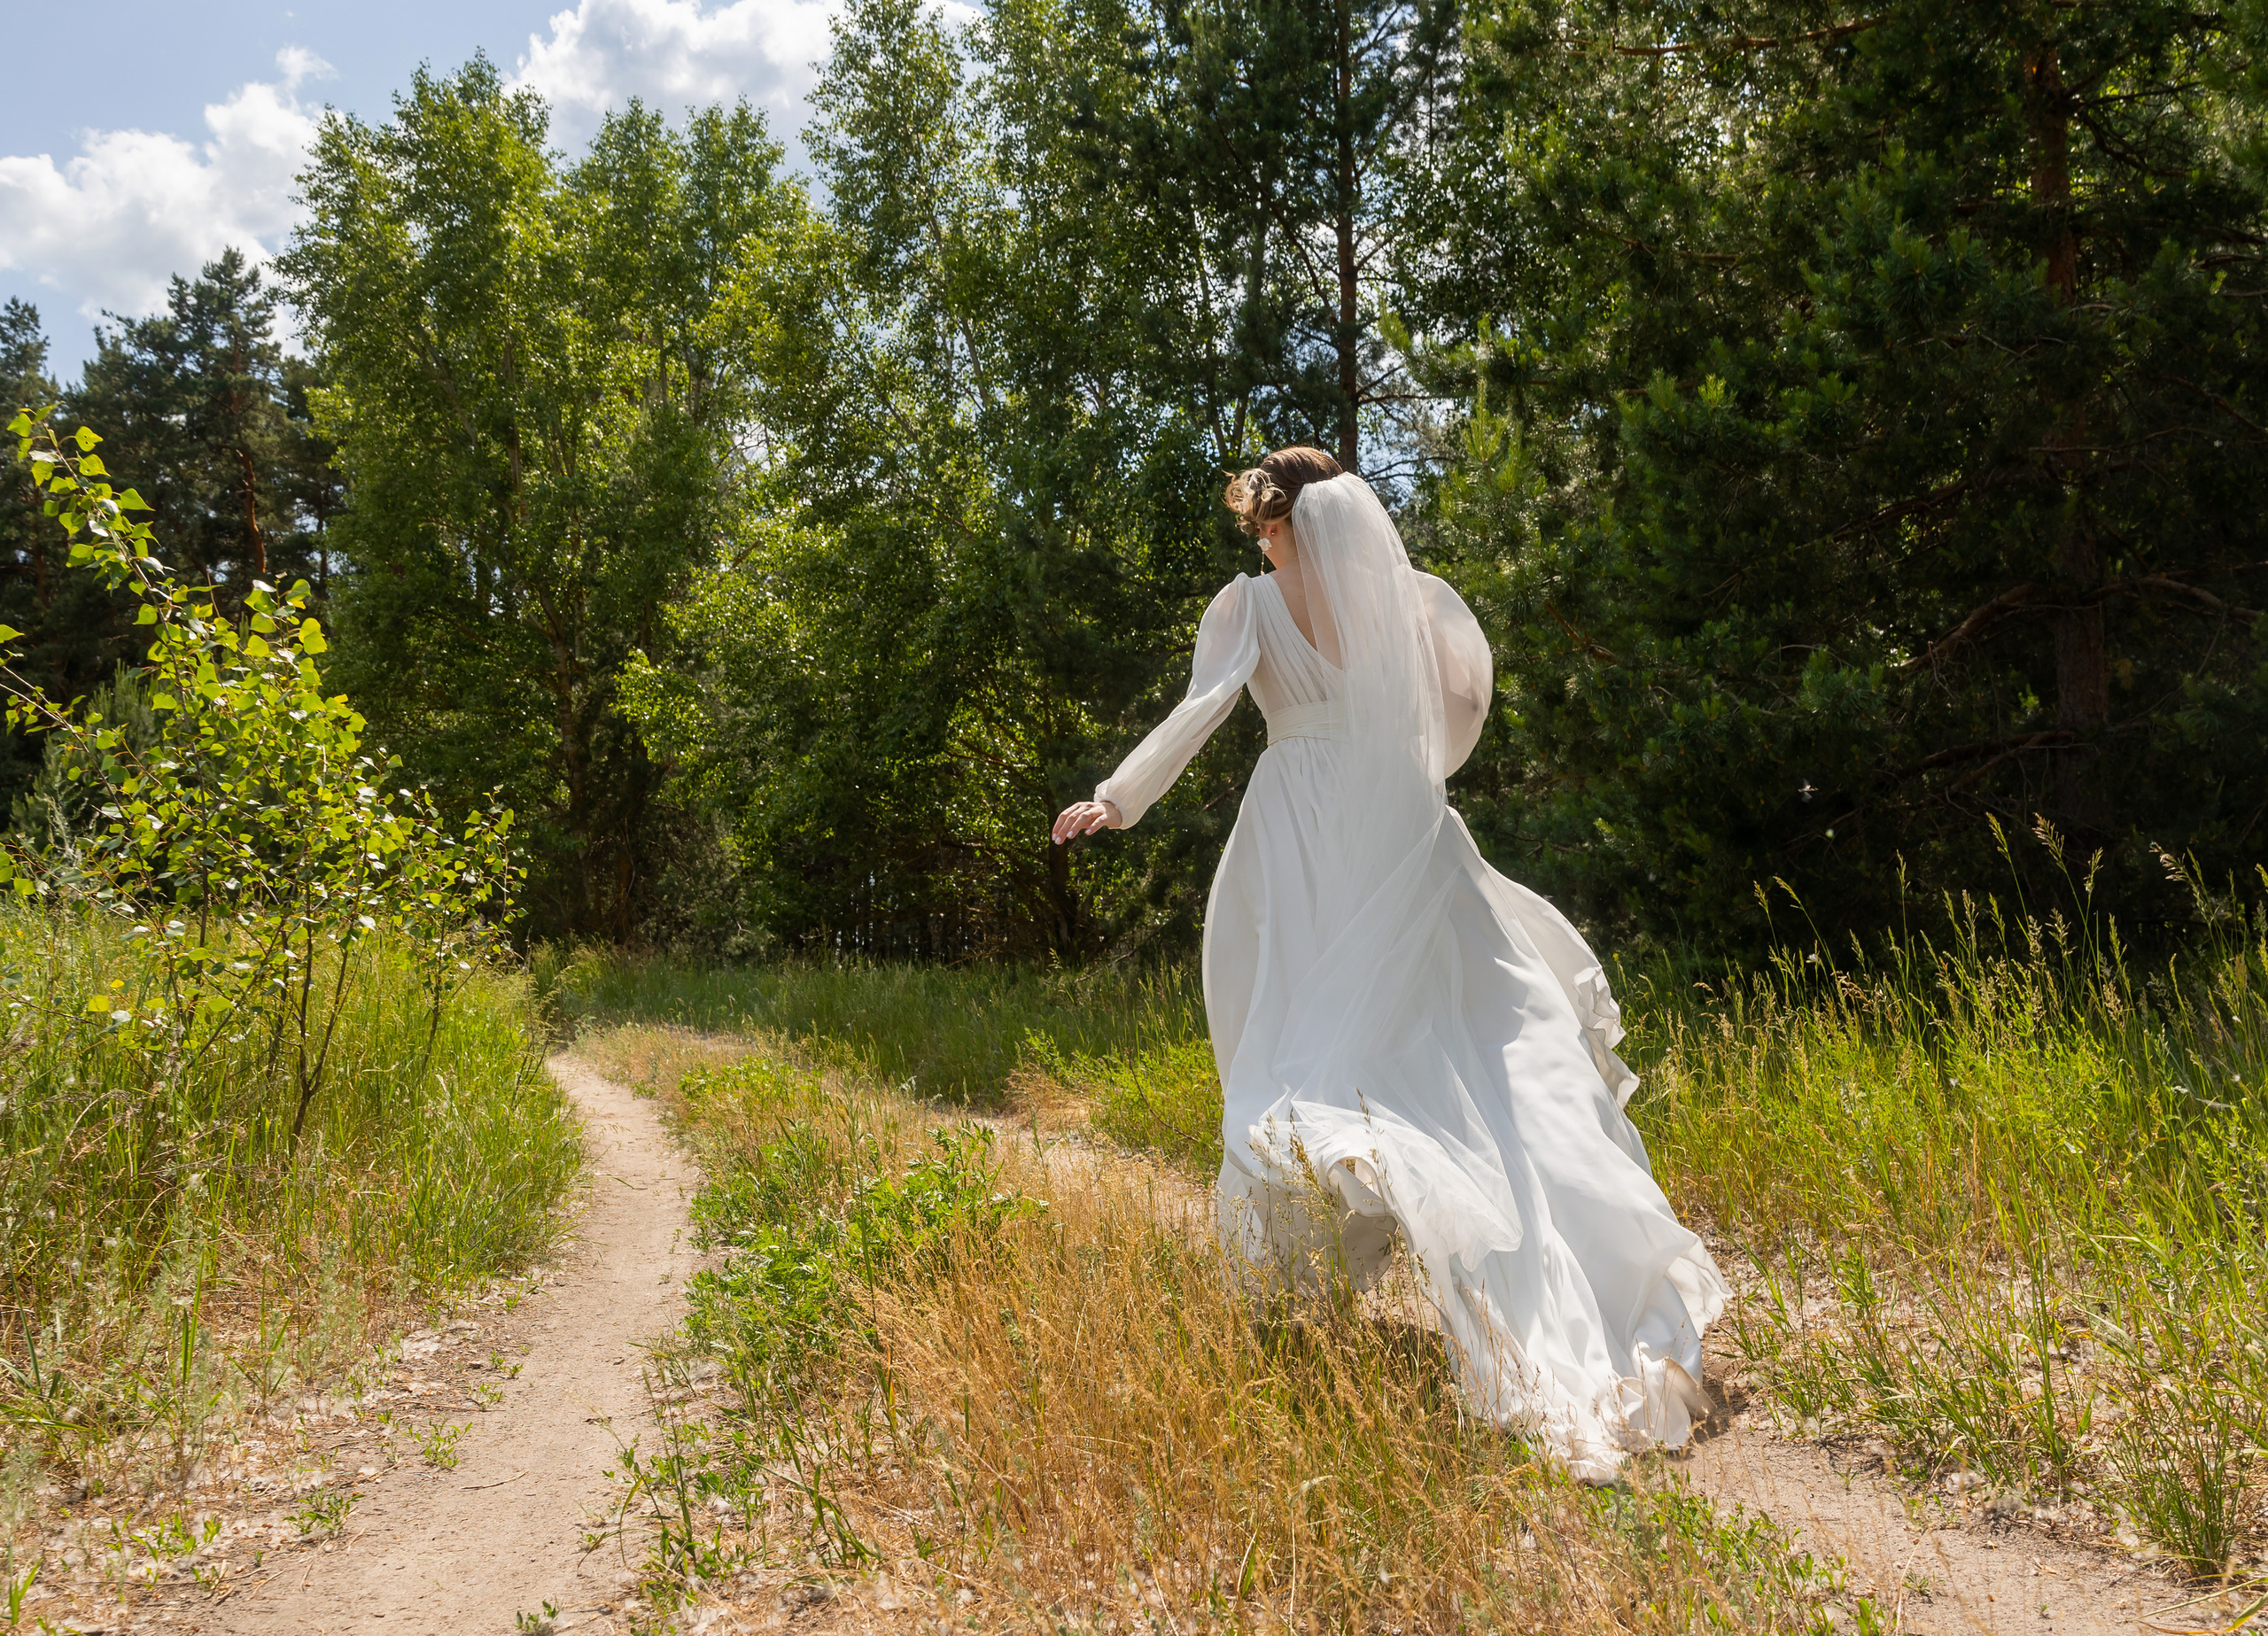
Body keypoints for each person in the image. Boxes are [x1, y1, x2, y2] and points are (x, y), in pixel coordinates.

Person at [1051, 447, 1726, 1480]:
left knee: (1308, 1046)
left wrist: (1118, 795)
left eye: (1262, 523)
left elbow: (1201, 711)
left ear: (1280, 521)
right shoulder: (1407, 599)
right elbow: (1456, 717)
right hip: (1398, 816)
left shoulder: (1246, 607)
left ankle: (1320, 1265)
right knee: (1485, 1039)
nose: (1260, 541)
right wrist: (1388, 763)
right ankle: (1581, 1273)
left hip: (1303, 835)